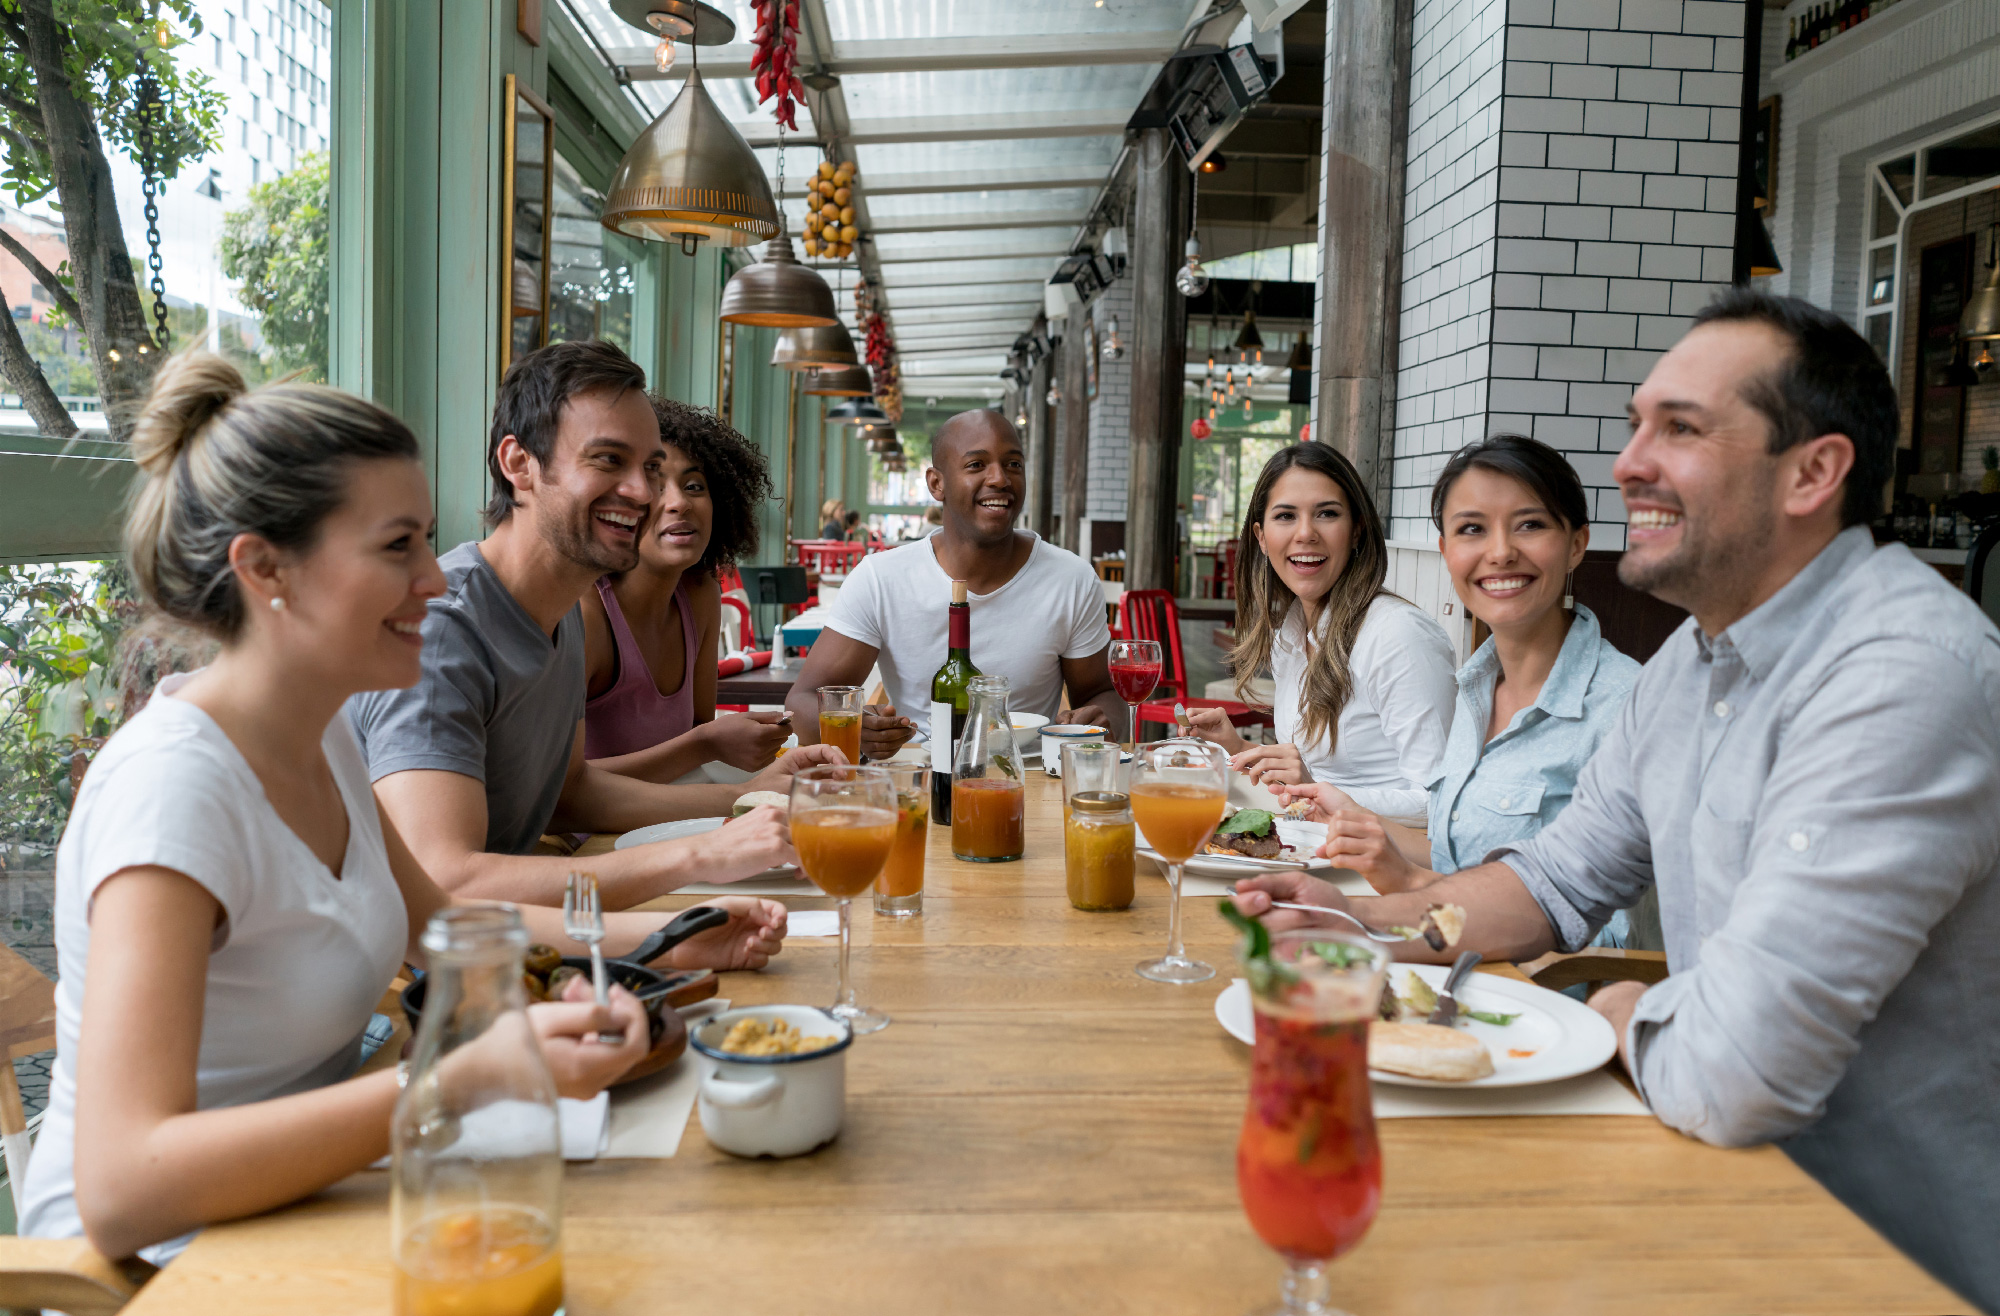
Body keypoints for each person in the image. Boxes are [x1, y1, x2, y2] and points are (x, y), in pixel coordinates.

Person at [1232, 290, 2000, 1312]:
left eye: (1677, 428)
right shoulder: (1690, 658)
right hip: (1696, 1185)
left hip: (1874, 1250)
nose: (1629, 459)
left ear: (1811, 472)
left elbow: (1737, 1068)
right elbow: (1554, 877)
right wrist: (1351, 918)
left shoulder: (1902, 670)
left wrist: (1617, 1007)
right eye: (1637, 423)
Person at [20, 354, 786, 1264]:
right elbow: (122, 1189)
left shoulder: (321, 738)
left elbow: (446, 922)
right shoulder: (173, 791)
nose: (435, 578)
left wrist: (669, 937)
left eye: (426, 539)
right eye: (398, 548)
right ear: (267, 570)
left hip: (305, 1211)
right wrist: (458, 1082)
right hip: (169, 1269)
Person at [347, 341, 838, 910]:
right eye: (608, 460)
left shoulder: (561, 610)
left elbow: (571, 793)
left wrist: (746, 799)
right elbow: (446, 881)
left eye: (650, 468)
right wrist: (702, 853)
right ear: (518, 465)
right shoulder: (444, 631)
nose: (642, 492)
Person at [1279, 436, 1647, 947]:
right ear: (1447, 551)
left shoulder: (1628, 707)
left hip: (1544, 1004)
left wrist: (1397, 893)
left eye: (1531, 525)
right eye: (1472, 529)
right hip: (1454, 971)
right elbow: (1460, 863)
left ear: (1578, 543)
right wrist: (1371, 833)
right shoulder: (1477, 688)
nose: (1500, 552)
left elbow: (1614, 937)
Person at [784, 409, 1123, 758]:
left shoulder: (1071, 579)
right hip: (916, 781)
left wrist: (1102, 719)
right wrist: (855, 728)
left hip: (1029, 782)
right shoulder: (881, 579)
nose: (1000, 479)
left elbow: (1102, 694)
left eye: (1013, 464)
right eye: (977, 465)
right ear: (936, 484)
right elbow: (802, 701)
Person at [1186, 442, 1456, 823]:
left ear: (1357, 530)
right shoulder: (1291, 634)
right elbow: (1312, 775)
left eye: (1327, 513)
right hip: (1312, 846)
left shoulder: (1399, 636)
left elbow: (1442, 804)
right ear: (1262, 538)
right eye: (1286, 516)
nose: (1306, 533)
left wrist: (1315, 790)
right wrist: (1236, 746)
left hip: (1381, 869)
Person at [581, 396, 790, 783]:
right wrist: (707, 743)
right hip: (587, 841)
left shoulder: (699, 595)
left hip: (670, 821)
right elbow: (558, 789)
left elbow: (697, 747)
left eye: (694, 486)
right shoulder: (586, 612)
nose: (679, 503)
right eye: (656, 486)